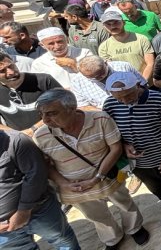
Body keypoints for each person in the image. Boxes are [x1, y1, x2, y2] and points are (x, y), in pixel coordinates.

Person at [33, 89, 150, 249]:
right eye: (42, 114)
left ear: (72, 108)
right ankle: (112, 239)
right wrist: (64, 184)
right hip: (75, 187)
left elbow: (115, 148)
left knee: (124, 203)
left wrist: (98, 177)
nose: (45, 120)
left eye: (52, 113)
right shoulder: (41, 136)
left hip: (108, 176)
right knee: (96, 215)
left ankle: (134, 228)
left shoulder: (100, 119)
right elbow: (47, 165)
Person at [102, 72, 161, 229]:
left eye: (128, 95)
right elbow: (111, 132)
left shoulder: (157, 99)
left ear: (137, 86)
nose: (125, 101)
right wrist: (124, 146)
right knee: (156, 188)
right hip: (138, 163)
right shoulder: (110, 105)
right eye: (119, 98)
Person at [0, 129, 80, 250]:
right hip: (4, 229)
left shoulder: (15, 141)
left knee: (63, 242)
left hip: (41, 211)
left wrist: (23, 211)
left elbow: (36, 175)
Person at [0, 51, 61, 132]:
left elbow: (63, 107)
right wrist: (18, 135)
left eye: (11, 66)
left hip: (54, 133)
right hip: (21, 141)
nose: (11, 72)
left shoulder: (44, 80)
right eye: (2, 71)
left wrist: (33, 129)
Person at [98, 10, 155, 82]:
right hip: (123, 88)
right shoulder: (103, 47)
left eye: (116, 22)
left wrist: (142, 82)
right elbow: (110, 70)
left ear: (124, 22)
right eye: (108, 24)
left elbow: (150, 63)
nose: (113, 26)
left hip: (146, 84)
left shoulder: (141, 39)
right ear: (104, 27)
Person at [71, 56, 146, 110]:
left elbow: (143, 86)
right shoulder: (77, 81)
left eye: (102, 73)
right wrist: (107, 113)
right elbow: (83, 106)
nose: (99, 78)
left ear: (106, 63)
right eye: (93, 77)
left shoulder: (124, 67)